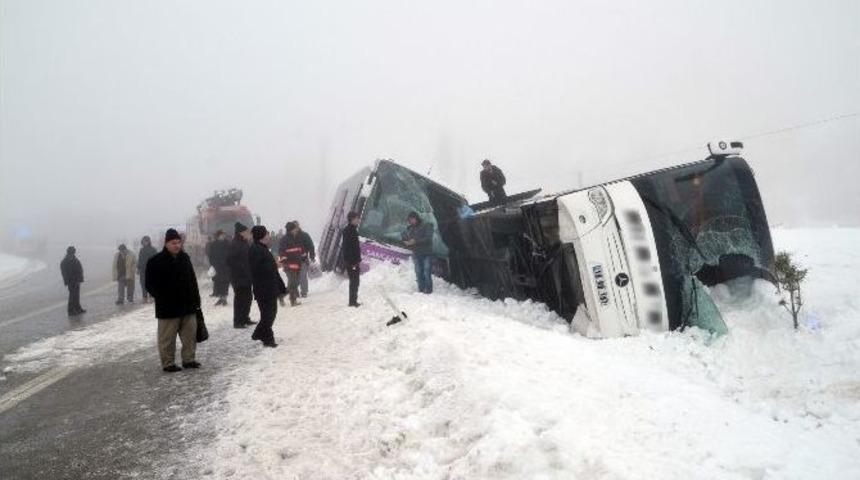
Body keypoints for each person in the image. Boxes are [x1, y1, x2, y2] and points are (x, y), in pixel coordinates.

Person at [145, 229, 201, 372]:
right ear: (166, 243)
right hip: (168, 308)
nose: (176, 245)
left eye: (178, 242)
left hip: (188, 305)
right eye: (173, 243)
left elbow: (192, 280)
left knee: (189, 336)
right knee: (167, 338)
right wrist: (162, 297)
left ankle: (189, 360)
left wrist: (196, 300)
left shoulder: (185, 258)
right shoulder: (155, 261)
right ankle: (168, 363)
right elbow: (149, 284)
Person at [249, 225, 286, 347]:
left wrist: (274, 265)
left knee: (269, 314)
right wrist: (275, 265)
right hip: (263, 288)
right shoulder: (256, 249)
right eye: (266, 234)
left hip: (268, 287)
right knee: (268, 315)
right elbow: (257, 269)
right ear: (261, 236)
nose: (269, 236)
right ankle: (260, 335)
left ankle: (266, 338)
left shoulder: (262, 248)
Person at [226, 222, 256, 329]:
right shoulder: (234, 244)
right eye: (247, 232)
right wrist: (243, 267)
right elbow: (230, 260)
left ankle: (245, 318)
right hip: (238, 276)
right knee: (240, 299)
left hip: (247, 275)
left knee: (248, 297)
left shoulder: (244, 243)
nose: (249, 233)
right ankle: (238, 321)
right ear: (241, 233)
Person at [401, 211, 435, 294]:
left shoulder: (427, 225)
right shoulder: (410, 228)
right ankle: (421, 289)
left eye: (412, 219)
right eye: (409, 220)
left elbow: (428, 238)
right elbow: (405, 236)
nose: (411, 221)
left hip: (427, 253)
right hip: (416, 253)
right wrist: (406, 241)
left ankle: (428, 290)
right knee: (418, 272)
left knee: (426, 271)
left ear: (416, 218)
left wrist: (415, 241)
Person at [278, 221, 305, 306]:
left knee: (295, 282)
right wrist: (284, 261)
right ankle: (293, 300)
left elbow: (300, 249)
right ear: (291, 230)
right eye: (295, 228)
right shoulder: (284, 240)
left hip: (297, 264)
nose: (296, 230)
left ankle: (282, 296)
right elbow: (281, 251)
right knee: (292, 282)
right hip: (289, 265)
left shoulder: (297, 238)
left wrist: (303, 256)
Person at [342, 211, 362, 307]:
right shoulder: (350, 231)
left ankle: (353, 300)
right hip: (352, 262)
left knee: (355, 281)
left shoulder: (352, 229)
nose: (358, 220)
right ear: (352, 219)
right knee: (354, 281)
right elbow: (348, 248)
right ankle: (352, 302)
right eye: (357, 218)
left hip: (353, 261)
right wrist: (353, 262)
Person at [60, 246, 86, 316]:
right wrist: (67, 281)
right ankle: (70, 310)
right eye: (73, 252)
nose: (74, 253)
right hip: (71, 281)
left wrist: (80, 279)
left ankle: (77, 308)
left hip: (76, 280)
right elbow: (64, 273)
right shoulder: (65, 261)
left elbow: (79, 269)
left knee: (76, 295)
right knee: (72, 296)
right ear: (70, 252)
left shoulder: (74, 259)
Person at [209, 230, 231, 306]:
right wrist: (213, 264)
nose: (223, 236)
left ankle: (224, 299)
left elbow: (230, 255)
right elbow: (211, 255)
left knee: (225, 283)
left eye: (224, 235)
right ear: (218, 236)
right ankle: (220, 298)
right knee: (218, 283)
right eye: (222, 235)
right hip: (217, 267)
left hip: (226, 267)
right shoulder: (214, 244)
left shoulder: (227, 243)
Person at [294, 221, 316, 298]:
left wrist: (312, 256)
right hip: (293, 260)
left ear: (298, 226)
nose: (295, 228)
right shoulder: (290, 236)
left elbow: (311, 246)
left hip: (303, 260)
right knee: (294, 277)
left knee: (303, 276)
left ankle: (304, 292)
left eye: (296, 226)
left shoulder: (304, 235)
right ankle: (295, 292)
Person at [138, 236, 158, 304]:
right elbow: (140, 259)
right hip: (143, 270)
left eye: (146, 241)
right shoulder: (141, 250)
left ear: (149, 241)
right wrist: (138, 268)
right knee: (143, 284)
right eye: (143, 241)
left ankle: (151, 297)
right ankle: (144, 297)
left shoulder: (153, 249)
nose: (145, 242)